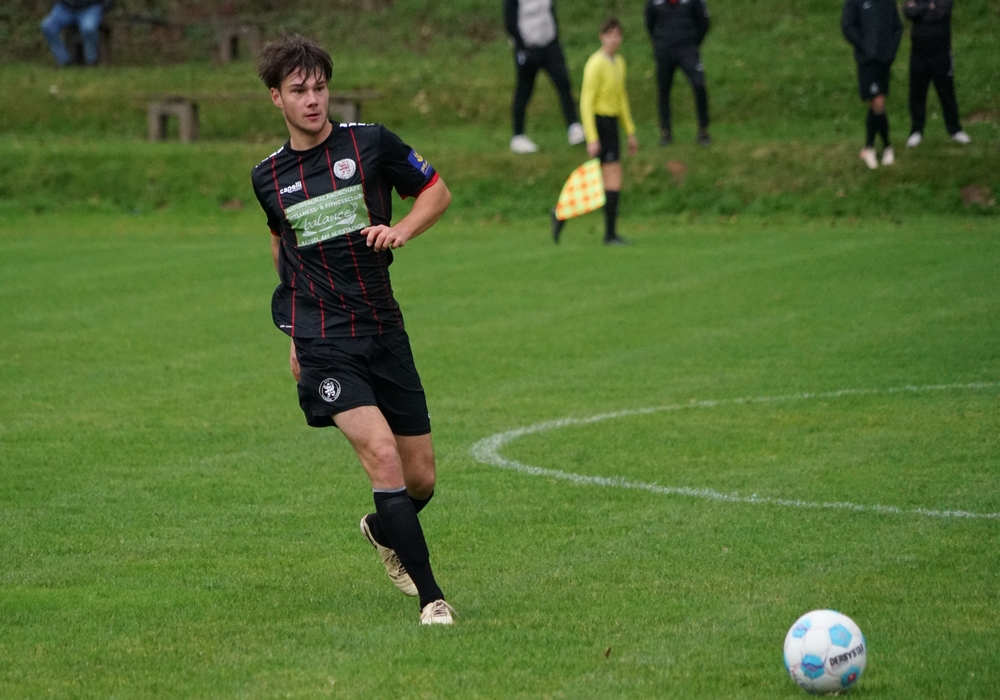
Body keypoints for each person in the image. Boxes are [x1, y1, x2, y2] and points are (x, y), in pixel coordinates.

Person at [250, 36, 455, 625]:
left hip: (383, 328)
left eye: (319, 87)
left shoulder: (370, 143)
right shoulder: (268, 177)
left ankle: (382, 528)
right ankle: (433, 599)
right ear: (276, 98)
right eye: (298, 90)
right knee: (382, 456)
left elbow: (436, 192)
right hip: (324, 340)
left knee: (420, 479)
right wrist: (295, 331)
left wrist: (402, 230)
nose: (313, 100)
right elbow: (282, 246)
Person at [555, 16, 637, 245]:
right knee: (606, 176)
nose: (614, 39)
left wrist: (630, 131)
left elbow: (621, 98)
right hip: (600, 123)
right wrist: (592, 137)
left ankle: (606, 231)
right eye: (610, 35)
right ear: (602, 37)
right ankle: (567, 215)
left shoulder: (619, 63)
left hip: (612, 123)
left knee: (610, 178)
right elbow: (586, 102)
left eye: (617, 35)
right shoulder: (596, 64)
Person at [505, 0, 585, 153]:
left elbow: (550, 10)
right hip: (528, 48)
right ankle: (518, 136)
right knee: (524, 89)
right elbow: (510, 22)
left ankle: (573, 126)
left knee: (563, 82)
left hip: (549, 44)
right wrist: (521, 47)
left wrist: (555, 36)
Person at [842, 0, 903, 169]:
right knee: (878, 101)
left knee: (878, 103)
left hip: (884, 60)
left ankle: (870, 148)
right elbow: (848, 26)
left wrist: (891, 51)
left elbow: (897, 27)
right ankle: (884, 146)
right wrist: (865, 47)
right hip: (867, 62)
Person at [903, 0, 971, 147]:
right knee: (917, 94)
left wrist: (919, 10)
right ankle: (916, 130)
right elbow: (908, 12)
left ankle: (955, 129)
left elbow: (941, 13)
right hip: (918, 55)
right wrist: (928, 7)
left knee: (947, 93)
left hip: (941, 54)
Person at [644, 0, 712, 146]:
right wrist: (660, 42)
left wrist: (693, 42)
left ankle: (703, 130)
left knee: (699, 85)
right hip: (664, 51)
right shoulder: (654, 2)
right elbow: (649, 23)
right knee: (663, 90)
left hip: (688, 50)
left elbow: (704, 22)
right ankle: (665, 132)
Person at [40, 1, 114, 67]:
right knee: (47, 27)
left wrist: (104, 7)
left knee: (89, 29)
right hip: (65, 8)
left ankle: (91, 61)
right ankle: (63, 60)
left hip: (90, 8)